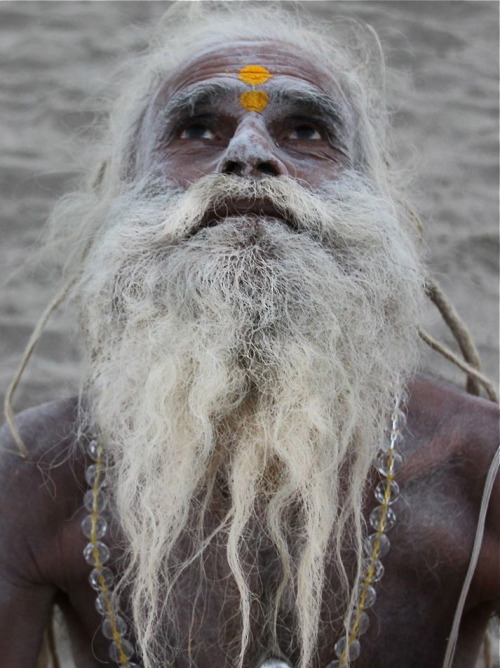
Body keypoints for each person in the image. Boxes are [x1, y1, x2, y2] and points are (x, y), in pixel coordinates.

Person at [0, 4, 498, 668]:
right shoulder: (34, 473)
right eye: (198, 128)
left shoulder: (482, 473)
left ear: (373, 197)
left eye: (306, 130)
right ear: (126, 192)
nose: (249, 153)